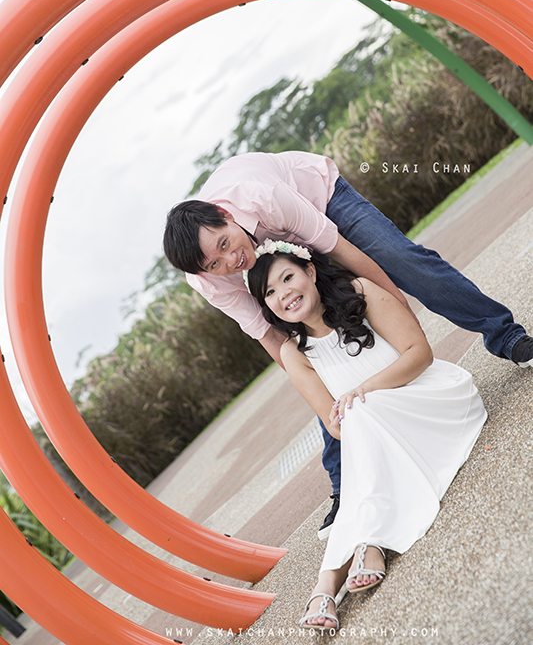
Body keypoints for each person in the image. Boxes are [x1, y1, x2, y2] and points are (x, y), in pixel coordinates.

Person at [163, 151, 532, 534]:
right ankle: (344, 483)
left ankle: (506, 336)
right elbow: (271, 336)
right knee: (309, 354)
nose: (230, 261)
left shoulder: (263, 194)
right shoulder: (208, 280)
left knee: (399, 256)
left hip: (319, 197)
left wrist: (398, 315)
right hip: (277, 259)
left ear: (223, 215)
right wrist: (316, 388)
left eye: (224, 244)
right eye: (213, 264)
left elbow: (343, 251)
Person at [245, 240, 487, 632]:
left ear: (309, 271)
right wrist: (353, 406)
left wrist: (364, 391)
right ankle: (353, 557)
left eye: (287, 277)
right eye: (269, 293)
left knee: (359, 409)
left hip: (434, 400)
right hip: (375, 427)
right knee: (355, 415)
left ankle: (348, 563)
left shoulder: (360, 293)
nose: (282, 294)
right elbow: (333, 424)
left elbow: (418, 352)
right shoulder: (293, 353)